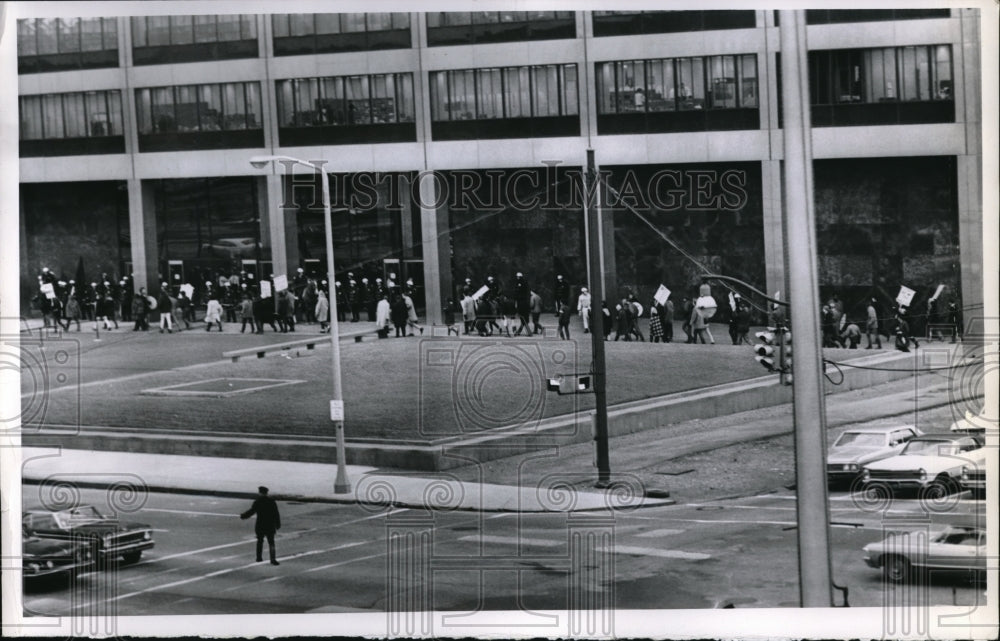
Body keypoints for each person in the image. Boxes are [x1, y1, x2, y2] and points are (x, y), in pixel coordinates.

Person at [240, 486, 281, 566]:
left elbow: (251, 511)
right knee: (271, 542)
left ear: (260, 492)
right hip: (270, 524)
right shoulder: (272, 501)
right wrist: (277, 524)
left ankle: (259, 557)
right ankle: (273, 559)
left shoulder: (258, 501)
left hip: (260, 524)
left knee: (260, 541)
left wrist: (243, 516)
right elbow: (276, 514)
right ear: (266, 493)